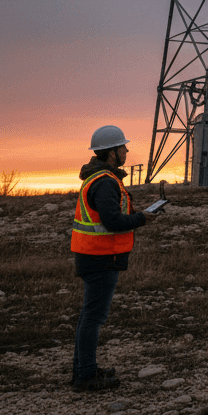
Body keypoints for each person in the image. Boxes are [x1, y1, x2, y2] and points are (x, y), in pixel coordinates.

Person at [70, 125, 156, 392]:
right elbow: (112, 221)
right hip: (101, 258)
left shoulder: (97, 179)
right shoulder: (106, 182)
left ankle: (84, 370)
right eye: (122, 148)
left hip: (95, 256)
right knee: (93, 318)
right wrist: (142, 218)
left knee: (89, 316)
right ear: (111, 153)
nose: (126, 151)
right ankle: (85, 377)